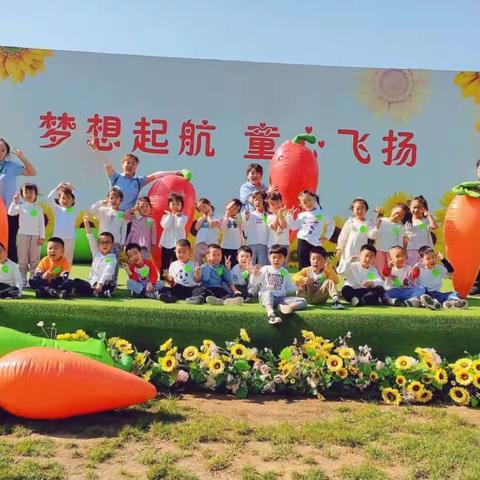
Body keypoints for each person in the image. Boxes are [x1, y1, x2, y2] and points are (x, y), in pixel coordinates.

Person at [88, 141, 183, 211]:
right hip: (112, 214)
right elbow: (106, 163)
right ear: (122, 164)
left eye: (133, 163)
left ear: (136, 167)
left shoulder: (138, 181)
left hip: (127, 218)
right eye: (127, 163)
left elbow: (156, 175)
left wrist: (176, 172)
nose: (130, 165)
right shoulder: (115, 177)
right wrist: (95, 149)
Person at [251, 244, 307, 325]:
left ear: (284, 259)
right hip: (266, 297)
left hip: (280, 299)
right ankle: (271, 314)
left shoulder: (284, 272)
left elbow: (289, 288)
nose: (276, 260)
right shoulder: (265, 269)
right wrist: (255, 275)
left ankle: (286, 308)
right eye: (274, 257)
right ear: (269, 258)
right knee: (268, 292)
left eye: (280, 257)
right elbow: (254, 282)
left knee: (303, 301)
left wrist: (297, 287)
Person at [0, 138, 37, 262]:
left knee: (9, 242)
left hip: (9, 211)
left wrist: (22, 157)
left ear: (6, 153)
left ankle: (12, 274)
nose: (0, 152)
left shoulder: (11, 166)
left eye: (2, 150)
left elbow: (32, 172)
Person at [68, 216, 117, 298]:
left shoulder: (112, 258)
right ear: (98, 245)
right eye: (102, 242)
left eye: (107, 242)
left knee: (111, 284)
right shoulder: (96, 253)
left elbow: (108, 272)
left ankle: (98, 292)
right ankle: (97, 293)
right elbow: (90, 237)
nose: (104, 244)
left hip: (103, 283)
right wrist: (86, 223)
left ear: (112, 244)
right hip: (91, 284)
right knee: (76, 281)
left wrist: (100, 283)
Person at [7, 183, 45, 287]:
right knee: (22, 258)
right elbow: (11, 213)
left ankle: (32, 279)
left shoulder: (39, 208)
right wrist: (14, 202)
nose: (28, 194)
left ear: (35, 194)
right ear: (22, 194)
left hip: (36, 236)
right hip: (22, 235)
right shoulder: (20, 206)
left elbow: (41, 224)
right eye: (26, 192)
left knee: (34, 259)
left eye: (31, 192)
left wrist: (42, 236)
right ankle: (22, 278)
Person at [288, 190, 334, 270]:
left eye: (309, 200)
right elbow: (293, 227)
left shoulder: (322, 213)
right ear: (301, 205)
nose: (308, 203)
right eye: (304, 202)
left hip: (315, 243)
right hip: (302, 242)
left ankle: (316, 281)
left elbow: (331, 223)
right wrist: (289, 216)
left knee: (316, 265)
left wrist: (327, 236)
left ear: (314, 199)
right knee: (303, 266)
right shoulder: (301, 215)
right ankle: (304, 282)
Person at [411, 245, 468, 310]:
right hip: (424, 293)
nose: (432, 260)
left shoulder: (438, 268)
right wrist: (414, 268)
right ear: (422, 260)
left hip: (436, 293)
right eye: (428, 258)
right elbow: (412, 277)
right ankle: (430, 302)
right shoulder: (419, 269)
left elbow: (451, 271)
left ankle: (449, 303)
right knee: (422, 296)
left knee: (454, 294)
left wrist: (443, 260)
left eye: (433, 257)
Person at [368, 203, 410, 276]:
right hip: (379, 251)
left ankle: (390, 286)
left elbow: (399, 242)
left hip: (392, 254)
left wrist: (400, 254)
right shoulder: (381, 221)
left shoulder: (399, 227)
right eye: (397, 213)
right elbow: (372, 236)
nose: (397, 216)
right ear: (393, 210)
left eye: (401, 215)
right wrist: (376, 227)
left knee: (390, 273)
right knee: (379, 273)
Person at [336, 198, 373, 274]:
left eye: (362, 208)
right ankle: (346, 278)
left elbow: (371, 235)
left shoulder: (368, 223)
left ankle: (358, 278)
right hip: (349, 247)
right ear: (353, 210)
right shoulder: (350, 222)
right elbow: (343, 235)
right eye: (357, 209)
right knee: (348, 261)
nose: (360, 211)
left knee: (359, 263)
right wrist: (340, 248)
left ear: (366, 209)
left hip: (361, 247)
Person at [47, 182, 79, 264]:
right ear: (59, 200)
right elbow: (49, 199)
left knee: (68, 259)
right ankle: (54, 276)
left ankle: (65, 275)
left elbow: (78, 197)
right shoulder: (57, 209)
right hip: (57, 238)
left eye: (68, 198)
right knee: (55, 258)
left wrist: (72, 187)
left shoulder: (74, 210)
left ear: (73, 200)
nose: (66, 200)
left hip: (70, 238)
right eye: (63, 198)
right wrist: (57, 188)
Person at [90, 187, 128, 253]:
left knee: (114, 262)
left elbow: (123, 229)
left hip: (116, 243)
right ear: (108, 199)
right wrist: (102, 202)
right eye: (111, 198)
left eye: (116, 198)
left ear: (120, 199)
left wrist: (122, 243)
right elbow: (92, 210)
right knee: (102, 262)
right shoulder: (103, 210)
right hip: (102, 242)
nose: (114, 200)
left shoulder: (122, 213)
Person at [404, 196, 437, 266]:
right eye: (414, 207)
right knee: (412, 270)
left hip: (424, 251)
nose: (416, 210)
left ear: (423, 209)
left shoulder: (425, 221)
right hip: (410, 250)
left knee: (424, 269)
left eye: (419, 207)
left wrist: (428, 215)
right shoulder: (407, 222)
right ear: (410, 208)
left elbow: (434, 226)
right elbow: (404, 237)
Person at [159, 192, 188, 270]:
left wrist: (176, 216)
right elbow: (166, 226)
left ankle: (176, 278)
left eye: (178, 204)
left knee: (177, 262)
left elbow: (179, 226)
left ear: (181, 206)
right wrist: (170, 216)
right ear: (169, 205)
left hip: (178, 244)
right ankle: (163, 279)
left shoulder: (184, 217)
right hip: (166, 243)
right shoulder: (165, 216)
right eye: (173, 204)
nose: (175, 206)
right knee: (165, 263)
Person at [243, 191, 269, 266]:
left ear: (264, 201)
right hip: (251, 244)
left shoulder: (266, 215)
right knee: (250, 265)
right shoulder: (249, 214)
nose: (257, 202)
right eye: (255, 200)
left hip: (263, 244)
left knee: (262, 266)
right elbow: (243, 228)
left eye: (260, 200)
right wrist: (246, 218)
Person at [192, 198, 220, 264]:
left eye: (204, 207)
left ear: (209, 204)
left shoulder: (218, 217)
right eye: (201, 209)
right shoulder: (201, 219)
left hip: (211, 245)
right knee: (198, 264)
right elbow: (196, 227)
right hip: (199, 244)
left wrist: (209, 216)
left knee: (211, 264)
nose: (203, 210)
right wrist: (204, 217)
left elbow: (211, 224)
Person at [266, 192, 291, 260]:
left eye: (278, 202)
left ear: (282, 202)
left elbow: (283, 225)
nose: (276, 205)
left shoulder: (288, 215)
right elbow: (274, 227)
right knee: (272, 267)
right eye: (273, 204)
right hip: (272, 245)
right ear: (269, 209)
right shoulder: (269, 217)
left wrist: (280, 214)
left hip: (284, 244)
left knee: (284, 267)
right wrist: (277, 214)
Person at [219, 198, 243, 267]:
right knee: (224, 267)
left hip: (236, 248)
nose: (232, 209)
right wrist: (226, 215)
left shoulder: (239, 219)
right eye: (232, 207)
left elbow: (242, 233)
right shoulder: (223, 218)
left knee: (234, 267)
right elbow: (222, 227)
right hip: (225, 247)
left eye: (235, 208)